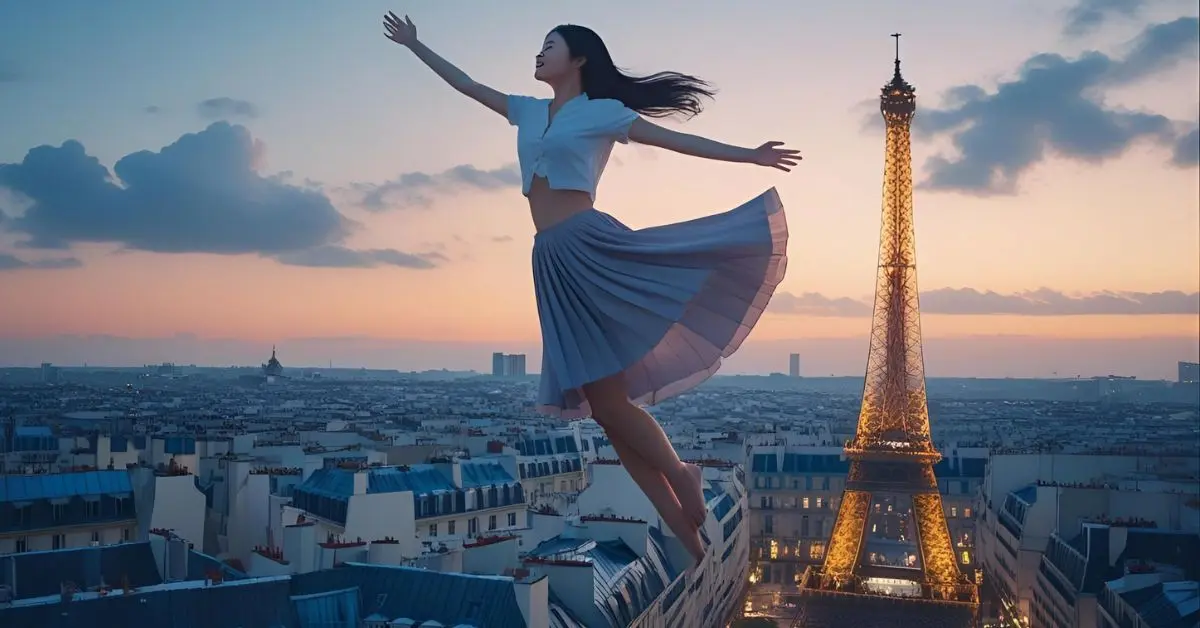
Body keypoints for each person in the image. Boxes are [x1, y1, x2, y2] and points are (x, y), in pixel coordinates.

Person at [383, 12, 796, 565]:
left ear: (577, 59)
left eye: (548, 46)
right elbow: (466, 85)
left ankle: (681, 473)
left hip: (588, 247)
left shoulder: (602, 113)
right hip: (550, 259)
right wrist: (415, 44)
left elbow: (675, 141)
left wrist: (750, 155)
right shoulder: (527, 111)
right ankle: (685, 530)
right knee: (605, 408)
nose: (538, 53)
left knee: (611, 405)